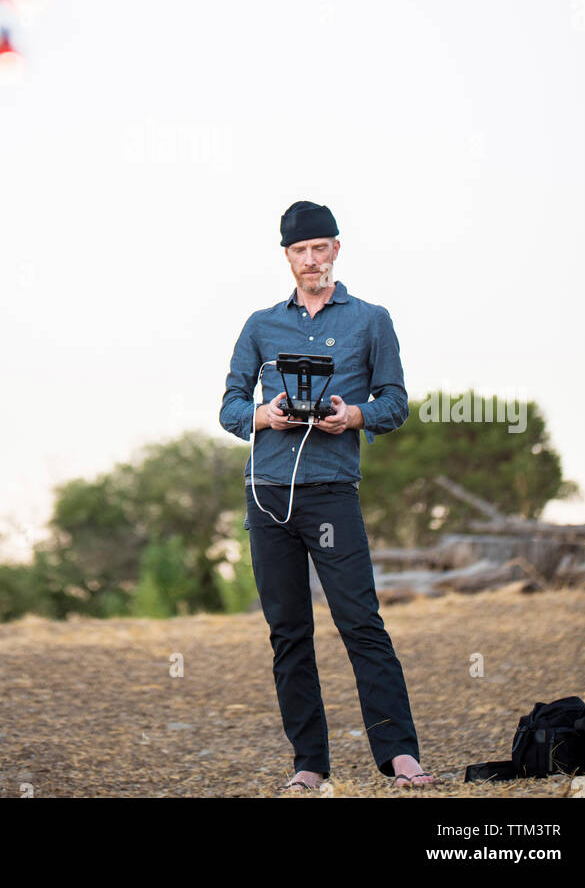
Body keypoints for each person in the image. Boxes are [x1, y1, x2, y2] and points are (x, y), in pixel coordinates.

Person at [219, 200, 435, 792]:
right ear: (287, 257)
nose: (310, 261)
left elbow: (396, 402)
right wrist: (263, 415)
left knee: (361, 622)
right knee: (288, 633)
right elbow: (229, 406)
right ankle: (309, 765)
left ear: (336, 248)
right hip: (267, 497)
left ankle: (400, 757)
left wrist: (355, 416)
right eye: (299, 252)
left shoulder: (371, 320)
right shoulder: (261, 325)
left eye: (319, 248)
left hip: (332, 493)